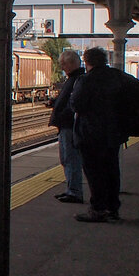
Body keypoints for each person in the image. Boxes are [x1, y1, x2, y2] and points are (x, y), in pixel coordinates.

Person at [69, 46, 128, 223]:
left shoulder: (86, 80)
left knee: (95, 173)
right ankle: (112, 208)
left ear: (87, 62)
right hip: (113, 133)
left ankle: (97, 209)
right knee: (111, 170)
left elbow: (76, 104)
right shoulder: (118, 77)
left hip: (91, 134)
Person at [48, 49, 84, 203]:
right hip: (66, 125)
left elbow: (74, 103)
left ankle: (74, 192)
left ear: (72, 63)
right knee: (67, 159)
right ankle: (71, 189)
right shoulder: (73, 79)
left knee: (71, 158)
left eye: (63, 64)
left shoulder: (77, 80)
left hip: (69, 126)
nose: (62, 67)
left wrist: (61, 114)